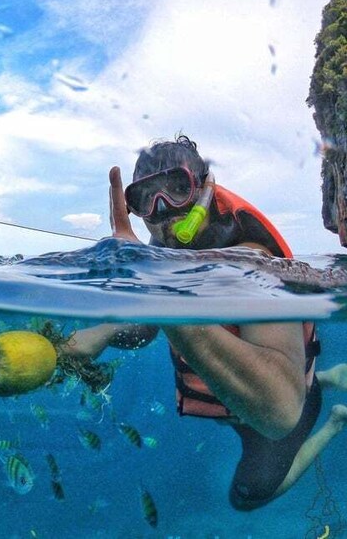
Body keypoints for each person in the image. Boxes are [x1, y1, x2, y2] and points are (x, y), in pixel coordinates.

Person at [58, 135, 347, 511]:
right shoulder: (165, 257)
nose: (164, 211)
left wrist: (155, 295)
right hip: (232, 404)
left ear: (205, 188)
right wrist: (97, 334)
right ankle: (326, 375)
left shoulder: (252, 262)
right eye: (146, 198)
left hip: (283, 409)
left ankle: (334, 418)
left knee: (246, 497)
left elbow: (280, 412)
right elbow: (145, 330)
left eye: (179, 189)